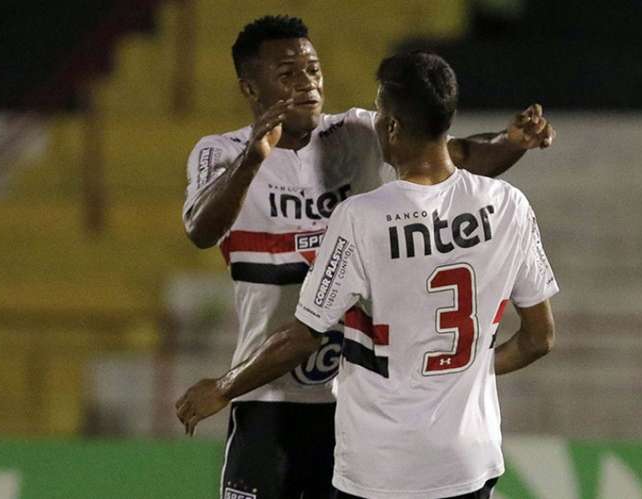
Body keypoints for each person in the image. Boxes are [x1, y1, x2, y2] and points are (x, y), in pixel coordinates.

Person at [180, 15, 555, 499]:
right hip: (268, 395)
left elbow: (449, 153)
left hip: (352, 399)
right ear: (250, 87)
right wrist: (254, 159)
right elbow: (200, 230)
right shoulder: (221, 152)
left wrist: (510, 143)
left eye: (313, 70)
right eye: (288, 73)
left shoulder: (356, 132)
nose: (308, 84)